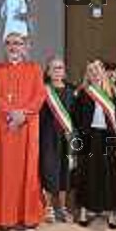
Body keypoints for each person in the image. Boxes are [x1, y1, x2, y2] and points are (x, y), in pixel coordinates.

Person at [0, 32, 46, 231]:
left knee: (28, 173)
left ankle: (27, 217)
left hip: (27, 128)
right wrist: (12, 113)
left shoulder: (35, 69)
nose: (13, 47)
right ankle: (5, 218)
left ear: (25, 46)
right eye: (9, 43)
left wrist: (24, 114)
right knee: (5, 175)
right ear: (5, 47)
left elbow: (39, 96)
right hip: (4, 128)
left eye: (17, 43)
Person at [74, 60, 116, 229]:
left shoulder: (114, 93)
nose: (94, 73)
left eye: (97, 69)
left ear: (103, 72)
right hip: (89, 137)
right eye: (90, 70)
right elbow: (76, 118)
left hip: (108, 137)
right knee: (87, 172)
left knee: (109, 173)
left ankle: (110, 212)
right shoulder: (82, 92)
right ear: (87, 74)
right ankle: (85, 209)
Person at [39, 57, 76, 222]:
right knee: (48, 170)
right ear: (48, 71)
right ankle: (48, 208)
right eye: (54, 68)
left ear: (64, 71)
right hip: (47, 137)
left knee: (64, 172)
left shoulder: (71, 91)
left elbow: (76, 116)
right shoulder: (42, 91)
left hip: (66, 138)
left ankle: (61, 207)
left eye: (60, 68)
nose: (57, 71)